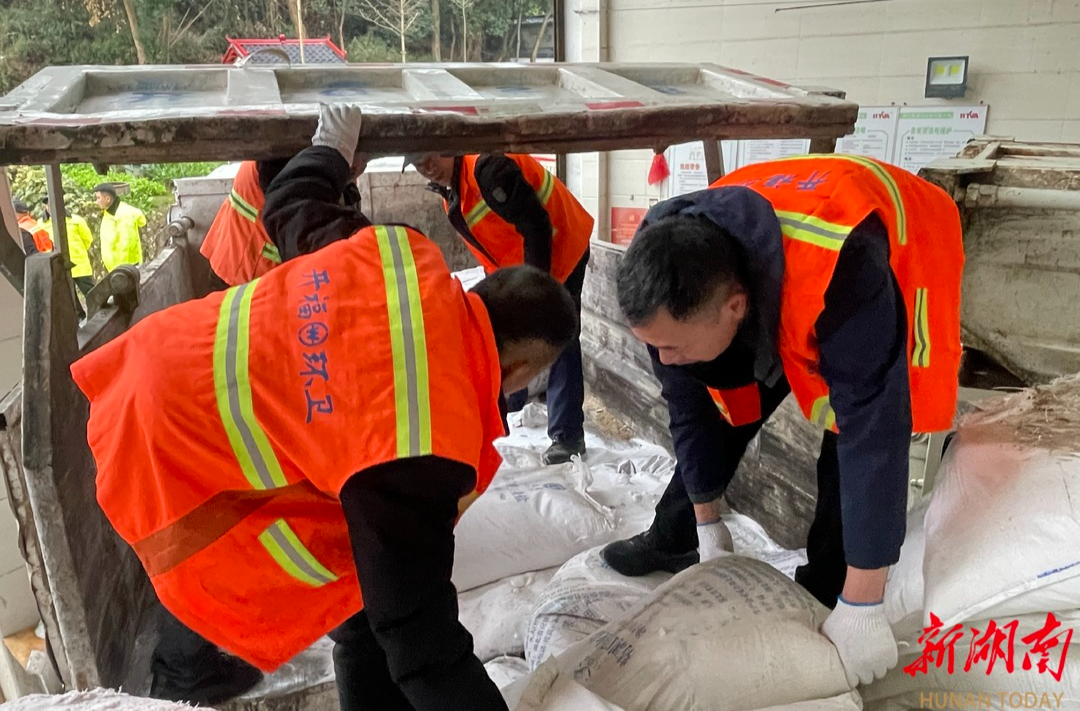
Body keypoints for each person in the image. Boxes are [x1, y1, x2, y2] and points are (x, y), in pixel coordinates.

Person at [71, 104, 578, 711]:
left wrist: (331, 151)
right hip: (175, 447)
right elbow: (421, 639)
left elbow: (288, 203)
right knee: (214, 620)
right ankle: (184, 681)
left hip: (158, 358)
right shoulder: (430, 436)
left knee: (359, 601)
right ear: (521, 370)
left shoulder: (401, 257)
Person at [600, 155, 964, 687]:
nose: (664, 359)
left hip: (898, 246)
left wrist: (865, 601)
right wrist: (707, 525)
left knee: (846, 433)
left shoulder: (846, 271)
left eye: (671, 346)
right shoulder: (663, 259)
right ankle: (677, 533)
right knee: (721, 403)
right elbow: (689, 407)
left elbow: (872, 429)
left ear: (735, 308)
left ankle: (832, 589)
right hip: (772, 265)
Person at [403, 151, 594, 465]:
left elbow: (538, 227)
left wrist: (538, 291)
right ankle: (514, 399)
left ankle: (568, 436)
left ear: (449, 147)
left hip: (563, 248)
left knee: (558, 336)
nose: (426, 168)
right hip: (520, 265)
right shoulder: (451, 190)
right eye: (418, 164)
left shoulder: (488, 170)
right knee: (506, 332)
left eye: (430, 158)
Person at [199, 154, 370, 289]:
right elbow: (314, 235)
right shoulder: (280, 164)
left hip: (250, 270)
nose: (361, 165)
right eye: (360, 159)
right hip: (246, 275)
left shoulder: (314, 158)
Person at [41, 197, 96, 297]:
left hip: (79, 265)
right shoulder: (41, 224)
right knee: (69, 299)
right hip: (59, 267)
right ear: (45, 207)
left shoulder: (76, 220)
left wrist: (78, 251)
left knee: (92, 294)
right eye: (49, 206)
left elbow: (87, 239)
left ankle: (99, 311)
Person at [94, 183, 146, 271]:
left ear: (107, 199)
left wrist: (122, 270)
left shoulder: (124, 215)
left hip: (126, 268)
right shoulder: (109, 213)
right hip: (116, 268)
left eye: (99, 198)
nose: (96, 201)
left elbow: (126, 245)